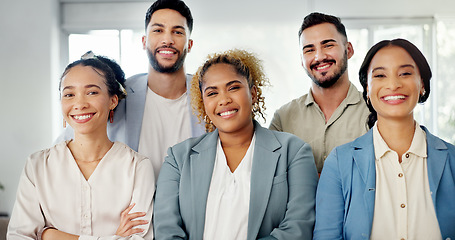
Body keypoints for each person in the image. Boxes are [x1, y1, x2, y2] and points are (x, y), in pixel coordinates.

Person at [153, 49, 319, 239]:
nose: (224, 100)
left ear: (253, 93)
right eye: (212, 93)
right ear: (203, 102)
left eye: (233, 88)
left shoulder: (294, 152)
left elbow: (298, 227)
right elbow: (167, 229)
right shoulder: (178, 158)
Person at [314, 39, 455, 239]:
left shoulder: (452, 159)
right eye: (380, 75)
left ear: (422, 84)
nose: (393, 84)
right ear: (367, 90)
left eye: (405, 73)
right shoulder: (339, 163)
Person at [8, 53, 154, 239]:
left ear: (113, 100)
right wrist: (114, 237)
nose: (79, 103)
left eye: (92, 92)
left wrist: (50, 235)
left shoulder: (138, 167)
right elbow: (19, 236)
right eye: (69, 94)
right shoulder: (37, 165)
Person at [56, 0, 205, 180]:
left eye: (178, 32)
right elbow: (64, 151)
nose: (167, 39)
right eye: (158, 30)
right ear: (144, 41)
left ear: (189, 44)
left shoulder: (207, 96)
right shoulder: (119, 95)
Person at [269, 12, 369, 173]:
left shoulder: (375, 113)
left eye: (328, 45)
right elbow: (272, 177)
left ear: (348, 50)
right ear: (302, 60)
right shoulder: (283, 118)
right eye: (309, 50)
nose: (319, 56)